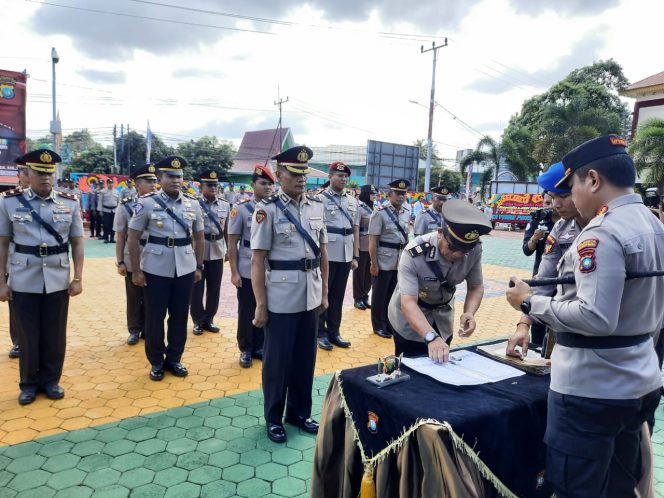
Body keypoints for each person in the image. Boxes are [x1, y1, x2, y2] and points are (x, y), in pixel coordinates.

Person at [506, 135, 664, 497]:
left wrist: (530, 303)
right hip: (640, 377)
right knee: (620, 484)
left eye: (572, 185)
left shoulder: (604, 231)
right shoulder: (654, 225)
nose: (569, 197)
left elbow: (596, 317)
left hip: (592, 388)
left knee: (575, 487)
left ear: (592, 180)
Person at [250, 146, 328, 444]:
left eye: (304, 174)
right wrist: (260, 304)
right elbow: (257, 260)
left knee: (304, 358)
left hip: (311, 292)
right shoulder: (266, 210)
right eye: (295, 173)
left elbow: (324, 253)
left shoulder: (316, 206)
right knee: (277, 361)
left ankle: (299, 412)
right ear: (279, 174)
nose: (301, 179)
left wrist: (325, 293)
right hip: (280, 296)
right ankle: (273, 417)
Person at [0, 149, 84, 405]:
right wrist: (1, 282)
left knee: (55, 333)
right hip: (23, 277)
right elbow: (2, 243)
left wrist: (78, 277)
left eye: (50, 172)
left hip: (58, 278)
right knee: (27, 334)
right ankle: (28, 383)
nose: (46, 177)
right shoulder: (8, 201)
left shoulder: (70, 202)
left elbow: (78, 243)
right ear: (28, 173)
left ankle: (50, 380)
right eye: (40, 172)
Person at [127, 156, 205, 381]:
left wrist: (198, 266)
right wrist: (137, 271)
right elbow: (133, 239)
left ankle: (174, 359)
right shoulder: (148, 202)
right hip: (155, 268)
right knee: (155, 317)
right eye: (170, 176)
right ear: (160, 178)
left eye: (179, 177)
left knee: (180, 316)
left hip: (185, 268)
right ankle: (157, 361)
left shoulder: (193, 203)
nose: (175, 180)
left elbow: (199, 239)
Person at [388, 200, 490, 360]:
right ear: (440, 232)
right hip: (410, 321)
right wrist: (430, 337)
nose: (458, 255)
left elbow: (476, 286)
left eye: (465, 250)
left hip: (443, 318)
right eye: (453, 248)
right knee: (410, 368)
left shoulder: (475, 249)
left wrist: (469, 312)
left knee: (440, 365)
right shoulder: (414, 252)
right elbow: (408, 303)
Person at [507, 162, 587, 348]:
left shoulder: (609, 226)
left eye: (564, 196)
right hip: (566, 319)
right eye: (552, 197)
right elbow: (544, 280)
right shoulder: (562, 227)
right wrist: (523, 325)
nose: (556, 204)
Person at [228, 165, 274, 368]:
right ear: (252, 184)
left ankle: (260, 346)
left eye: (270, 184)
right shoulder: (242, 209)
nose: (268, 187)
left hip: (269, 267)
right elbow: (232, 242)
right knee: (247, 309)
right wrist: (234, 272)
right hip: (247, 266)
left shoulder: (274, 207)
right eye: (263, 183)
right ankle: (246, 348)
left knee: (265, 307)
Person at [113, 164, 158, 345]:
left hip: (155, 255)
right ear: (137, 184)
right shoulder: (126, 206)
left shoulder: (160, 203)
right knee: (133, 296)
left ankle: (149, 329)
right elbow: (120, 235)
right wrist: (120, 262)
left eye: (155, 181)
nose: (153, 184)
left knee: (152, 296)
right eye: (148, 181)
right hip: (134, 255)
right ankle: (134, 329)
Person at [317, 161, 358, 351]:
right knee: (323, 292)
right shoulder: (320, 199)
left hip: (346, 253)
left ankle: (334, 331)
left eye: (345, 176)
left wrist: (355, 255)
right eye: (339, 175)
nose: (343, 179)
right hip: (327, 254)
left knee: (338, 296)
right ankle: (320, 332)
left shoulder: (352, 200)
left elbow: (355, 229)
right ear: (330, 176)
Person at [368, 179, 411, 339]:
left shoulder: (406, 211)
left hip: (399, 261)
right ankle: (378, 325)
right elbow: (373, 241)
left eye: (404, 193)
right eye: (398, 193)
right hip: (383, 260)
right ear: (390, 194)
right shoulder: (380, 212)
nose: (401, 197)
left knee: (393, 296)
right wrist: (373, 263)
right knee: (379, 295)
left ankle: (388, 323)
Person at [190, 169, 230, 335]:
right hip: (198, 251)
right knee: (197, 288)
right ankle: (198, 321)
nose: (214, 188)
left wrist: (228, 250)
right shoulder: (193, 204)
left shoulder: (225, 205)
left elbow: (227, 230)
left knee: (215, 288)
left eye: (216, 185)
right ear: (201, 187)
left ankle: (209, 319)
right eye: (210, 185)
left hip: (217, 250)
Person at [6, 157, 31, 359]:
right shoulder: (8, 200)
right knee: (16, 306)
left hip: (38, 263)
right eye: (25, 172)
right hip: (14, 260)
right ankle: (18, 342)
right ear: (19, 175)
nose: (28, 176)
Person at [352, 184, 376, 310]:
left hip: (373, 246)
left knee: (369, 273)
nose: (374, 196)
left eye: (375, 194)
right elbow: (355, 229)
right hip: (361, 245)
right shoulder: (359, 207)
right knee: (359, 274)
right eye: (372, 194)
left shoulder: (375, 207)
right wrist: (356, 248)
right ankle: (358, 298)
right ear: (366, 194)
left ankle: (365, 296)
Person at [522, 192, 557, 275]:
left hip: (564, 277)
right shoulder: (536, 221)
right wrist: (534, 238)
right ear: (542, 203)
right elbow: (527, 251)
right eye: (547, 203)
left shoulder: (568, 220)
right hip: (540, 274)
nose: (551, 206)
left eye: (553, 202)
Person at [98, 178, 119, 243]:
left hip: (114, 210)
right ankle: (106, 238)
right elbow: (100, 202)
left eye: (111, 183)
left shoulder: (116, 192)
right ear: (107, 184)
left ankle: (112, 238)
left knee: (113, 225)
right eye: (109, 183)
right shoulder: (103, 192)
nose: (110, 184)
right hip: (106, 210)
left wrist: (118, 211)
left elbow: (118, 202)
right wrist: (100, 211)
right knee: (106, 225)